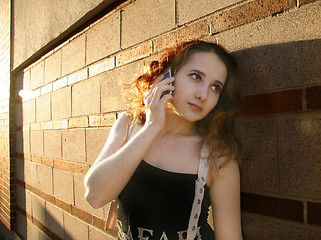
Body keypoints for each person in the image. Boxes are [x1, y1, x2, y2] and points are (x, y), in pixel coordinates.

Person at [84, 40, 243, 240]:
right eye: (196, 77)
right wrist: (152, 126)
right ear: (168, 75)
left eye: (215, 87)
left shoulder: (218, 156)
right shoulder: (129, 125)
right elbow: (95, 196)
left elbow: (230, 236)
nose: (203, 95)